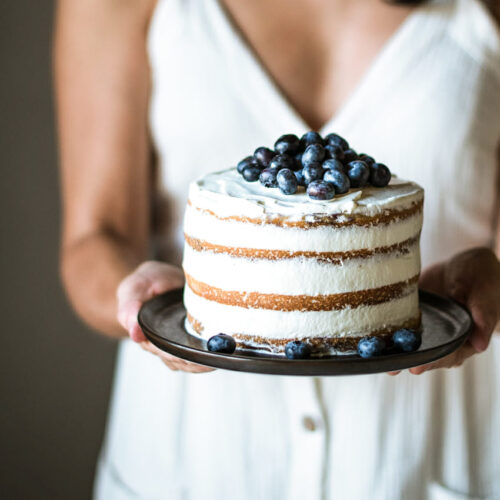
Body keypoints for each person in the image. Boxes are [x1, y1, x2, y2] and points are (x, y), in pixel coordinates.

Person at [54, 0, 500, 498]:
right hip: (190, 460)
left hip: (430, 455)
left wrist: (490, 282)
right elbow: (95, 237)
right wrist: (138, 300)